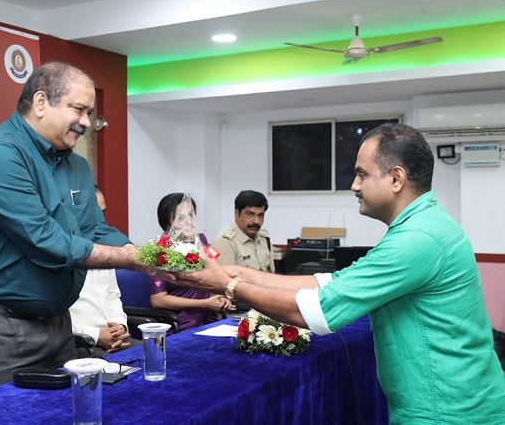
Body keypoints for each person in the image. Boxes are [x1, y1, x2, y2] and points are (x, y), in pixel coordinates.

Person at [175, 123, 505, 424]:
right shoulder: (421, 226)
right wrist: (238, 272)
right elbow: (327, 282)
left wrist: (227, 284)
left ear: (396, 179)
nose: (354, 185)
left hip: (448, 411)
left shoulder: (417, 239)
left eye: (362, 174)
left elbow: (316, 311)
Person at [0, 61, 145, 396]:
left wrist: (151, 256)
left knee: (69, 415)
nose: (86, 122)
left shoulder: (77, 165)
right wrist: (132, 261)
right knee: (4, 419)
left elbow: (95, 230)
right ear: (40, 102)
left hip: (59, 328)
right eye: (78, 109)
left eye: (89, 113)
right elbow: (43, 240)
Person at [149, 193, 235, 331]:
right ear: (167, 223)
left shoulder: (200, 241)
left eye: (191, 215)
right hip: (181, 324)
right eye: (181, 218)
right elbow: (158, 300)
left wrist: (221, 297)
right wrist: (205, 303)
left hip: (210, 319)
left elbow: (212, 277)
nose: (189, 222)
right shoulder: (159, 251)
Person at [69, 185, 135, 355]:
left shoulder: (107, 249)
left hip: (116, 338)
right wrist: (97, 335)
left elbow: (113, 295)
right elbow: (56, 320)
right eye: (94, 212)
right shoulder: (61, 252)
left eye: (102, 213)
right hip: (82, 343)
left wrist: (120, 326)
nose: (99, 219)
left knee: (157, 356)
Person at [212, 190, 275, 272]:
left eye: (261, 215)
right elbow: (224, 279)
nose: (256, 221)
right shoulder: (224, 242)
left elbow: (272, 273)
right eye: (250, 214)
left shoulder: (264, 239)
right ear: (237, 213)